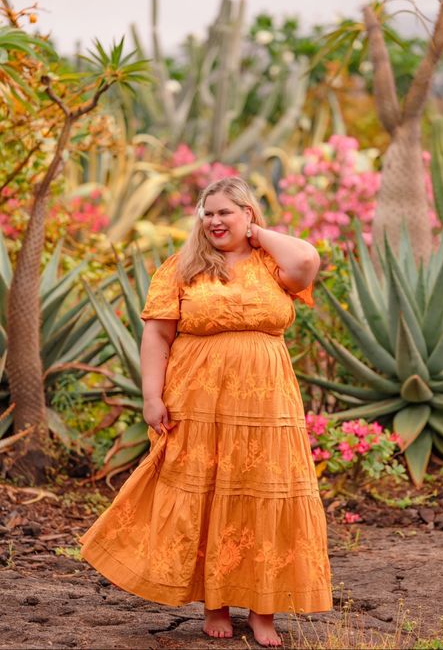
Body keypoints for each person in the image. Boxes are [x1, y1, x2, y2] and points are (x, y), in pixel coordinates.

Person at [79, 176, 333, 648]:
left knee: (264, 493)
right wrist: (152, 397)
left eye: (226, 212)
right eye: (208, 212)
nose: (215, 221)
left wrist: (257, 235)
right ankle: (215, 603)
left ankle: (263, 610)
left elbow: (306, 261)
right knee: (209, 491)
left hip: (265, 402)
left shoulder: (271, 263)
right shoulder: (183, 267)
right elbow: (156, 335)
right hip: (198, 397)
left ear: (249, 215)